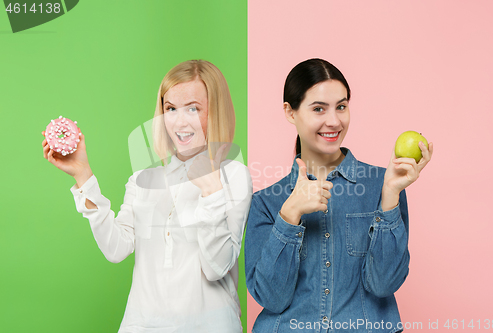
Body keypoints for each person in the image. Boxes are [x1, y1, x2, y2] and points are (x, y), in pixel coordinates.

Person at [42, 60, 252, 332]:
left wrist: (211, 192)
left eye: (193, 108)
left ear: (216, 111)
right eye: (170, 109)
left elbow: (216, 268)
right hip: (141, 324)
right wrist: (83, 176)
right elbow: (116, 249)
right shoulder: (144, 178)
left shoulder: (234, 174)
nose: (180, 121)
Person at [245, 58, 433, 333]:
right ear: (290, 111)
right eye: (319, 108)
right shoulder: (265, 202)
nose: (334, 121)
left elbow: (384, 284)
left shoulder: (383, 184)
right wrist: (289, 216)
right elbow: (272, 298)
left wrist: (390, 195)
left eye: (341, 107)